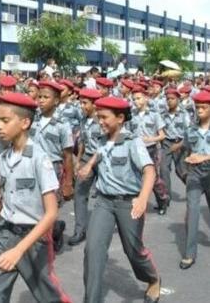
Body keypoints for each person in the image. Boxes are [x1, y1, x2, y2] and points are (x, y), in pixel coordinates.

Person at [0, 92, 72, 303]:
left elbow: (51, 213)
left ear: (25, 123)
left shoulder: (39, 159)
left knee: (48, 295)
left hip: (35, 239)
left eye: (5, 121)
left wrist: (20, 250)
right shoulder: (5, 157)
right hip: (7, 234)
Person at [80, 96, 161, 303]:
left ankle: (152, 278)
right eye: (98, 117)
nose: (100, 121)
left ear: (120, 118)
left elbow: (149, 171)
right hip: (104, 202)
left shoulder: (133, 142)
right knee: (93, 250)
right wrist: (89, 165)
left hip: (129, 202)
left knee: (133, 250)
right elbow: (100, 153)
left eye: (105, 117)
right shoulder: (101, 139)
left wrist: (143, 199)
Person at [31, 80, 73, 252]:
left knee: (50, 205)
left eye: (46, 97)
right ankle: (53, 230)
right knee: (36, 204)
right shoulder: (33, 120)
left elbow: (68, 155)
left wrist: (68, 182)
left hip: (53, 169)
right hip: (34, 167)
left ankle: (50, 237)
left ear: (56, 101)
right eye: (39, 96)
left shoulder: (62, 125)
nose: (41, 100)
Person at [180, 91, 210, 269]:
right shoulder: (190, 129)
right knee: (192, 211)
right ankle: (190, 254)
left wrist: (205, 157)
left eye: (204, 107)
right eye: (197, 107)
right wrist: (189, 159)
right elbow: (187, 148)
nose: (199, 110)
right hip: (195, 174)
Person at [69, 88, 102, 247]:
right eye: (81, 102)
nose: (81, 106)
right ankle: (80, 230)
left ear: (95, 104)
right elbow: (82, 141)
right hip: (87, 157)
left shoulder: (102, 119)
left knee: (107, 196)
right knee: (80, 193)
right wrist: (79, 160)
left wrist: (90, 164)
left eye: (85, 103)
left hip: (103, 160)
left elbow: (105, 145)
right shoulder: (83, 119)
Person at [129, 86, 169, 215]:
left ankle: (162, 200)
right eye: (134, 99)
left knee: (154, 178)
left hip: (151, 149)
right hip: (136, 149)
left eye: (139, 98)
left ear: (146, 98)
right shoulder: (132, 116)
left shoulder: (154, 115)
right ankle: (138, 202)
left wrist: (150, 138)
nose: (136, 101)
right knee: (135, 176)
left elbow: (162, 135)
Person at [159, 88, 189, 198]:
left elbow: (189, 132)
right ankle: (165, 197)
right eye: (168, 99)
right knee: (163, 169)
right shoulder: (163, 114)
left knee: (180, 171)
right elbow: (160, 129)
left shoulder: (184, 114)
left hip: (180, 143)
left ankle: (194, 187)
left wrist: (180, 144)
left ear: (178, 100)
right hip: (166, 143)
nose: (170, 101)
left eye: (172, 99)